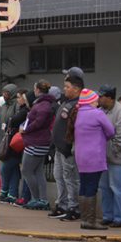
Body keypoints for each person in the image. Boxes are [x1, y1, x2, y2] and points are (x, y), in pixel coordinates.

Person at [68, 89, 115, 230]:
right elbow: (111, 131)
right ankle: (91, 221)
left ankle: (84, 219)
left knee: (83, 185)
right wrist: (103, 137)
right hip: (95, 155)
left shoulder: (78, 114)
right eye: (95, 100)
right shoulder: (97, 114)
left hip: (80, 156)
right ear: (91, 101)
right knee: (92, 187)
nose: (97, 102)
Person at [49, 74, 84, 221]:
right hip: (58, 148)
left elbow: (75, 129)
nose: (65, 89)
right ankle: (61, 205)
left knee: (70, 178)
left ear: (76, 89)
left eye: (67, 87)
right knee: (59, 177)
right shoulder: (66, 102)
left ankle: (73, 207)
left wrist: (68, 146)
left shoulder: (77, 105)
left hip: (67, 149)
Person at [98, 85, 121, 228]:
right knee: (104, 187)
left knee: (117, 188)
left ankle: (120, 218)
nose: (99, 99)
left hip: (117, 157)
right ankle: (108, 215)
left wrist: (112, 151)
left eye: (102, 96)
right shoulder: (100, 111)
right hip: (103, 157)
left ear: (109, 98)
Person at [20, 80, 55, 210]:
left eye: (34, 89)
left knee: (27, 171)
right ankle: (43, 199)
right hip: (40, 141)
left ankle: (37, 198)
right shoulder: (45, 104)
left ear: (38, 90)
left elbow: (38, 123)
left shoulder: (42, 106)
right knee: (38, 171)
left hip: (36, 142)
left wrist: (26, 129)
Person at [0, 88, 29, 203]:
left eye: (19, 97)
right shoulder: (7, 106)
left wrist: (10, 121)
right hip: (10, 138)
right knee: (13, 168)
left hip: (16, 141)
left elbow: (14, 120)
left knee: (7, 167)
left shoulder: (22, 109)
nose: (18, 99)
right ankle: (10, 192)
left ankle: (8, 191)